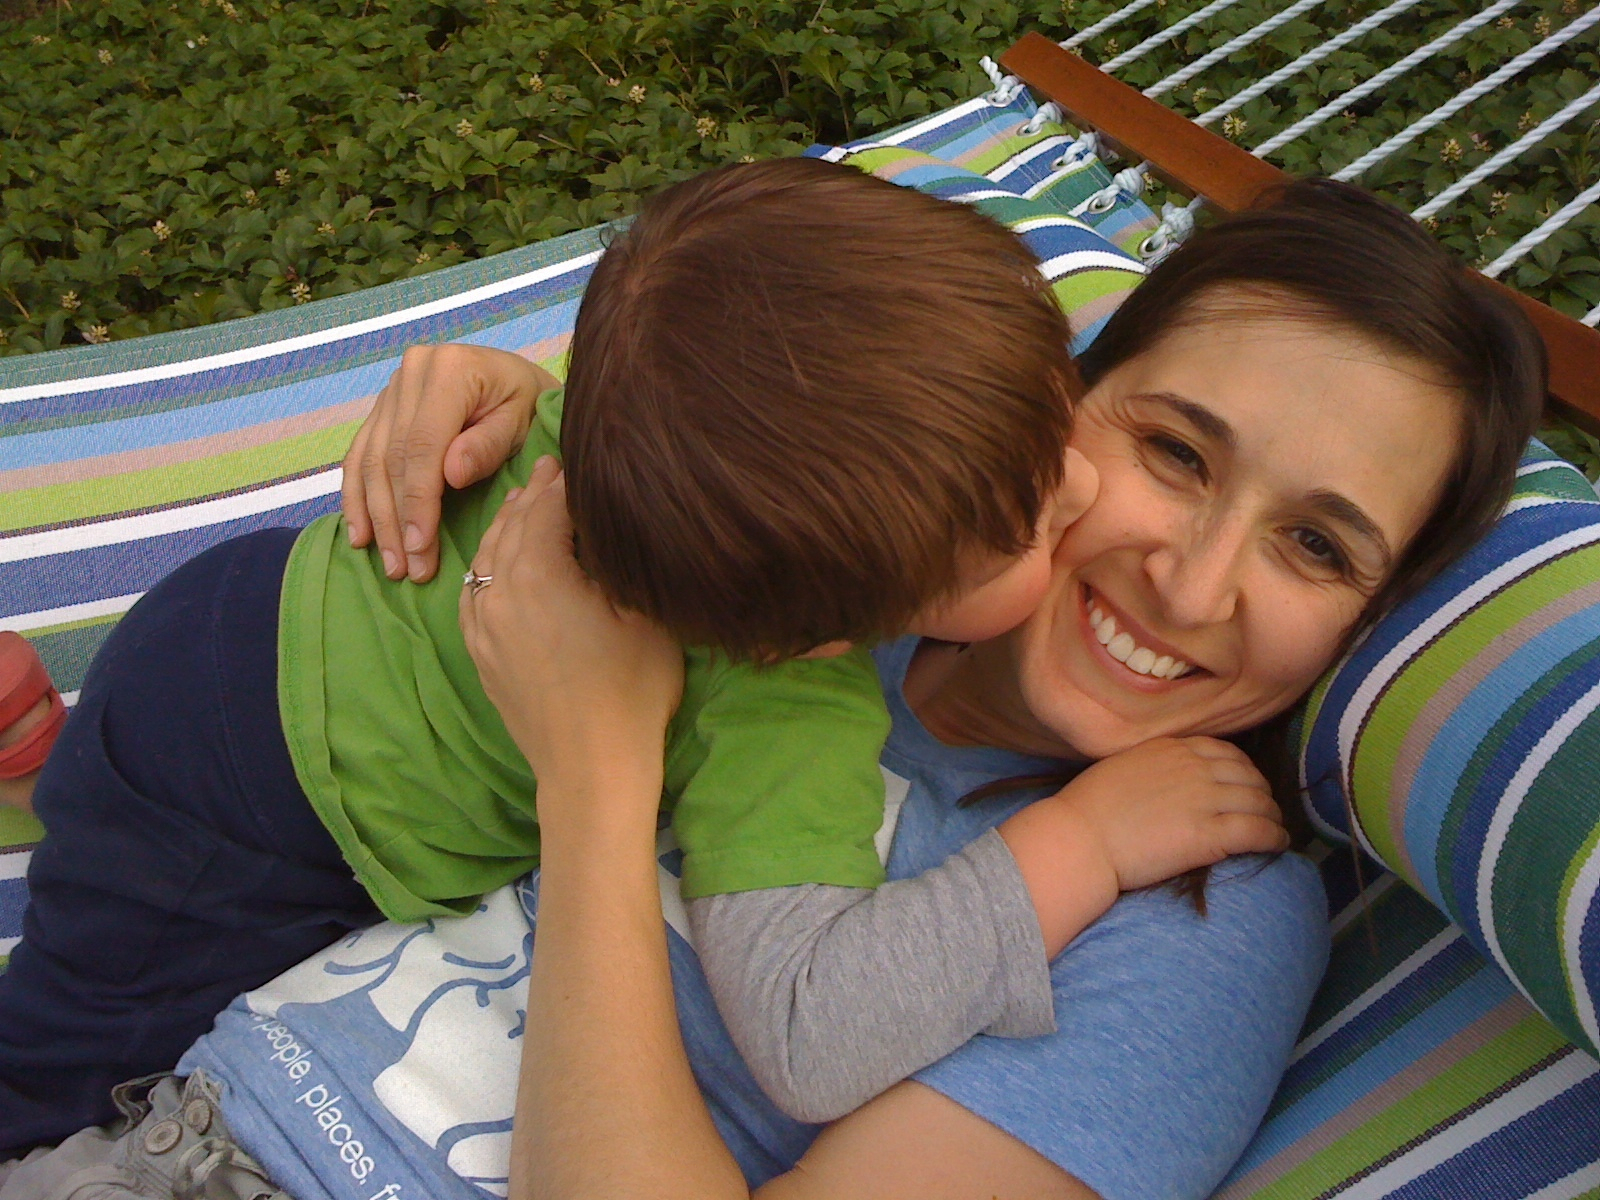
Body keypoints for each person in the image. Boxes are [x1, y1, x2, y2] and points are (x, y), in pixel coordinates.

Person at [36, 178, 1537, 1200]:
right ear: (1062, 401)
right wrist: (539, 405)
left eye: (1316, 546)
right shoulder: (841, 565)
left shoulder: (1192, 914)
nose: (1191, 583)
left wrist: (599, 767)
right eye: (1176, 452)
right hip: (156, 1123)